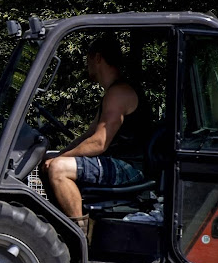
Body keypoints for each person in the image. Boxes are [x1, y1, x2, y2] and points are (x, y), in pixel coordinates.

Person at [43, 36, 151, 235]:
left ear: (98, 58)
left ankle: (79, 235)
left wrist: (59, 160)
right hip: (118, 162)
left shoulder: (119, 93)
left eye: (88, 60)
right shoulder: (112, 93)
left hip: (129, 167)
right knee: (56, 162)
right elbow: (89, 135)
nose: (87, 66)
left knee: (59, 169)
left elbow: (98, 143)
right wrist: (58, 154)